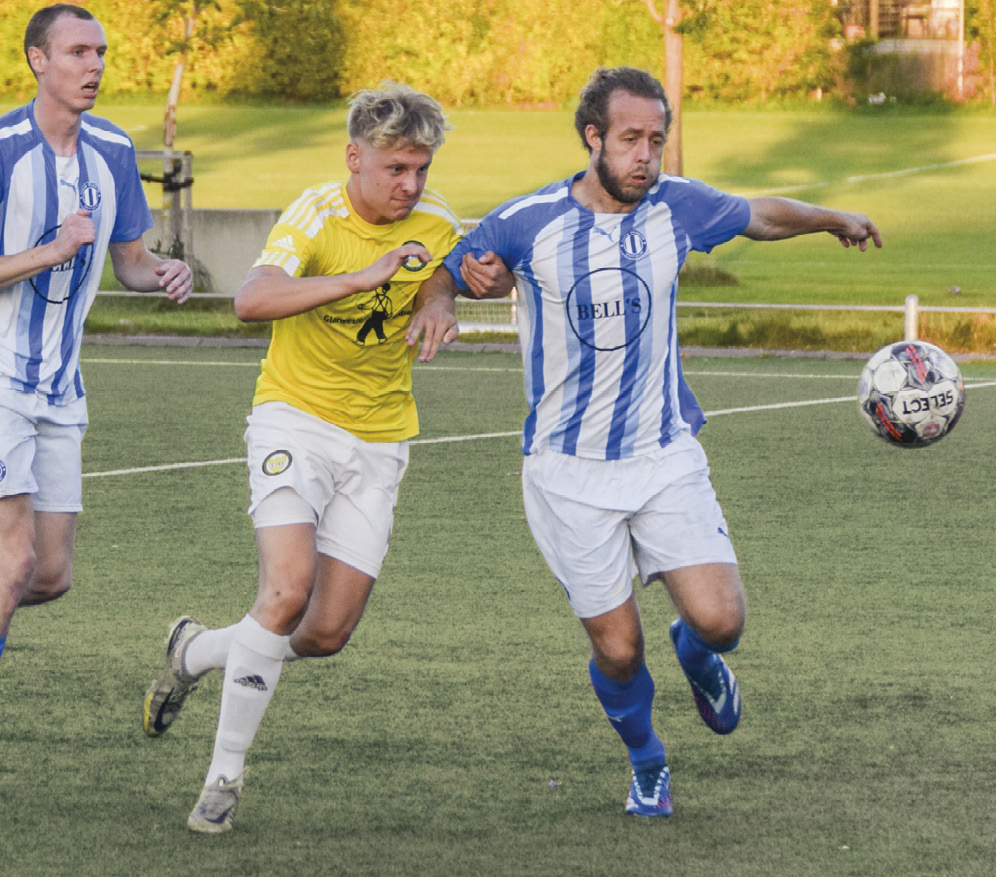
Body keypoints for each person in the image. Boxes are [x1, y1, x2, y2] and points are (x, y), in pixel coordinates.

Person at [410, 66, 881, 818]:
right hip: (567, 473)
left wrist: (831, 217)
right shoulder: (529, 221)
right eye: (631, 139)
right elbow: (450, 271)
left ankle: (695, 651)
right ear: (592, 138)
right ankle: (648, 760)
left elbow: (757, 213)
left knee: (722, 620)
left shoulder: (677, 207)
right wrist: (442, 301)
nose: (646, 156)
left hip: (664, 456)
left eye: (656, 140)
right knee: (620, 650)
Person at [142, 82, 500, 834]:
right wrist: (360, 277)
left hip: (379, 439)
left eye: (421, 169)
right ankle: (223, 778)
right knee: (286, 589)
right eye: (395, 168)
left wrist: (441, 298)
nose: (410, 185)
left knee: (326, 631)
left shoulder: (434, 220)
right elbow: (252, 298)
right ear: (354, 156)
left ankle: (198, 651)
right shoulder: (316, 212)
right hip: (294, 423)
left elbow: (449, 265)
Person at [0, 5, 192, 663]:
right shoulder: (3, 151)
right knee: (12, 555)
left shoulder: (111, 150)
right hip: (0, 380)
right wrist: (47, 253)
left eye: (101, 53)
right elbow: (44, 257)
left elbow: (131, 264)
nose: (94, 66)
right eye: (78, 52)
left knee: (50, 573)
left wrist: (165, 272)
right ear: (38, 60)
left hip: (62, 389)